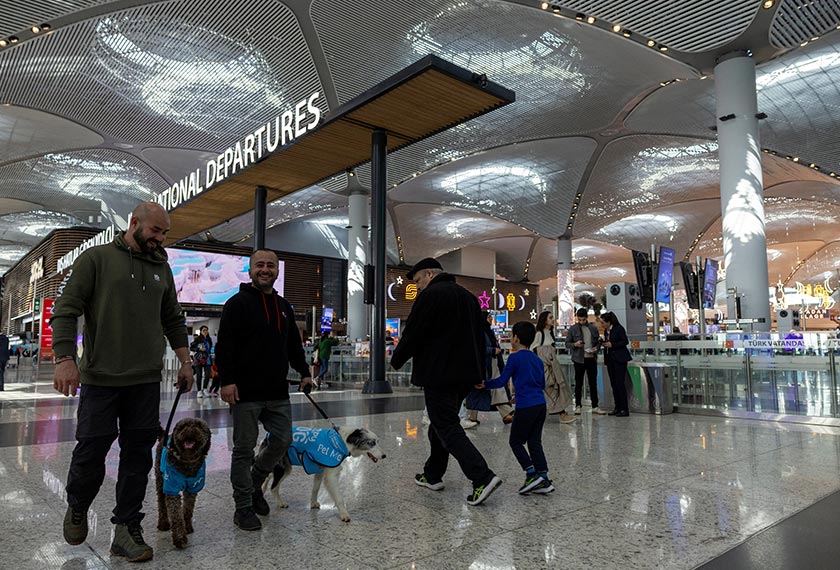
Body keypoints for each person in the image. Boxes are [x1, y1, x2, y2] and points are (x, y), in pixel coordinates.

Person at [51, 202, 193, 562]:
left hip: (145, 381)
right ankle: (79, 505)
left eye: (165, 233)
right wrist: (65, 359)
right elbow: (65, 309)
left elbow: (173, 318)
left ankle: (126, 528)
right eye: (155, 231)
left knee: (137, 458)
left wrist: (186, 362)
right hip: (101, 379)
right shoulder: (96, 259)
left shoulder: (162, 267)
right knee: (91, 451)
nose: (160, 239)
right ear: (134, 223)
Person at [216, 249, 313, 531]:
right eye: (260, 265)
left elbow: (293, 345)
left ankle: (255, 482)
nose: (265, 269)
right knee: (243, 450)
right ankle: (243, 506)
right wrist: (226, 381)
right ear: (250, 270)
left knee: (283, 440)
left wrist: (305, 373)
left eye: (270, 265)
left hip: (277, 391)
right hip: (245, 392)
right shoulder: (236, 304)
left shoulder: (284, 306)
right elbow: (225, 347)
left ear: (277, 271)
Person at [391, 257, 502, 506]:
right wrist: (478, 372)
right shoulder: (468, 297)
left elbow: (414, 332)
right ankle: (433, 474)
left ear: (429, 274)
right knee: (440, 422)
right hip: (465, 375)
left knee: (447, 425)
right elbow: (482, 335)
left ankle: (482, 477)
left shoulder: (431, 296)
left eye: (418, 280)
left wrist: (396, 359)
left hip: (439, 374)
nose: (417, 286)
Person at [480, 321, 555, 495]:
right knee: (535, 442)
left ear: (516, 338)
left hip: (526, 407)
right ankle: (544, 478)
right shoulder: (536, 359)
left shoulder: (514, 357)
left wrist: (484, 384)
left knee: (515, 441)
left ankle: (531, 474)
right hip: (540, 405)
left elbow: (501, 381)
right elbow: (541, 384)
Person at [466, 312, 513, 425]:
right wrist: (492, 351)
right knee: (487, 388)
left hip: (491, 364)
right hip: (484, 365)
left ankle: (505, 413)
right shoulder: (479, 332)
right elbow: (476, 349)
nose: (491, 319)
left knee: (494, 388)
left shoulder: (486, 331)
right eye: (489, 317)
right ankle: (506, 413)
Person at [532, 311, 576, 424]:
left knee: (556, 390)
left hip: (553, 368)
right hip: (546, 368)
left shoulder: (549, 333)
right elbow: (534, 349)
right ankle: (562, 413)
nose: (552, 319)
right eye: (550, 317)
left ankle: (561, 413)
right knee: (552, 390)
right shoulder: (540, 334)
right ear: (544, 320)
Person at [565, 308, 605, 415]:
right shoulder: (573, 329)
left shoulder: (593, 328)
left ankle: (595, 406)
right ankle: (578, 405)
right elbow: (567, 343)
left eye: (583, 319)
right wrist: (575, 344)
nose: (581, 321)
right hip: (578, 359)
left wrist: (596, 348)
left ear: (586, 318)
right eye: (580, 319)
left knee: (592, 383)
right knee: (578, 383)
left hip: (591, 358)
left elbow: (598, 342)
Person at [600, 311, 633, 417]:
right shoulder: (606, 331)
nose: (602, 325)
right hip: (610, 360)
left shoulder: (618, 328)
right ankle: (617, 407)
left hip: (619, 359)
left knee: (620, 384)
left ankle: (624, 408)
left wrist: (612, 344)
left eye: (603, 322)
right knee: (613, 384)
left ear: (609, 322)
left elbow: (625, 341)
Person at [190, 325, 213, 397]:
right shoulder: (197, 339)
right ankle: (199, 391)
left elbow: (209, 349)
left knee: (208, 375)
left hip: (207, 359)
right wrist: (199, 349)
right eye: (204, 330)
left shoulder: (209, 339)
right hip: (199, 359)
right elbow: (191, 348)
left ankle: (205, 389)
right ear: (200, 331)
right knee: (199, 375)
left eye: (206, 330)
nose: (205, 331)